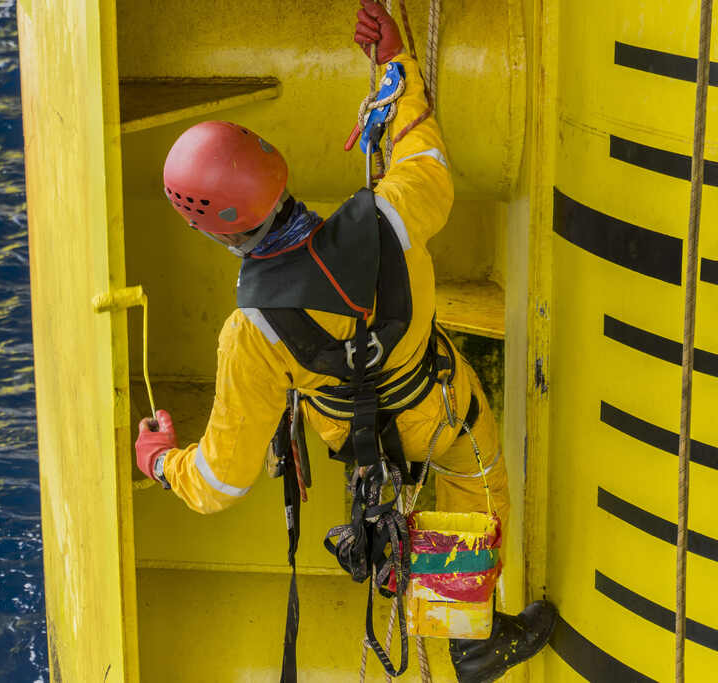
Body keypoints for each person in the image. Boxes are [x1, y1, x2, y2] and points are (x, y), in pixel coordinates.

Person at [134, 2, 556, 681]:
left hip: (365, 448)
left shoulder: (253, 332)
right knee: (475, 482)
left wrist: (160, 461)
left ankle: (460, 636)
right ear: (276, 168)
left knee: (442, 466)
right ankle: (468, 641)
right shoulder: (390, 211)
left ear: (212, 231)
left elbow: (220, 478)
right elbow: (422, 147)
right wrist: (396, 61)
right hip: (444, 412)